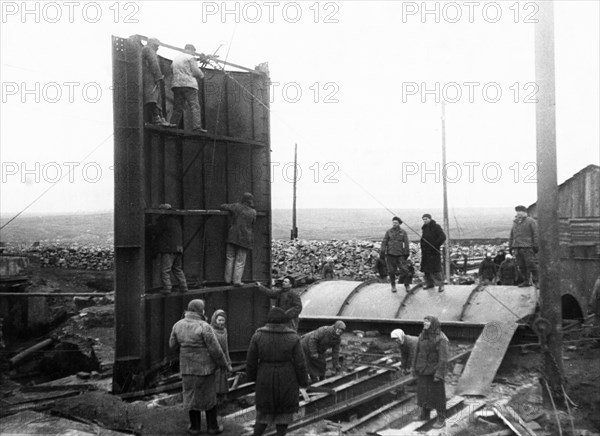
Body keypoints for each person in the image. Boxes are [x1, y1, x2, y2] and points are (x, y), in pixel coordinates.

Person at [169, 299, 232, 435]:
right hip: (205, 369)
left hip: (187, 368)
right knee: (209, 398)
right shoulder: (204, 326)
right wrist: (224, 365)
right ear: (200, 311)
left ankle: (195, 428)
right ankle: (212, 427)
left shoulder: (177, 325)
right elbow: (216, 350)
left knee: (191, 396)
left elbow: (172, 345)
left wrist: (185, 351)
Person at [246, 307, 309, 436]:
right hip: (287, 378)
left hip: (265, 377)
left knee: (263, 414)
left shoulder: (258, 335)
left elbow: (251, 361)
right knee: (283, 416)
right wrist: (304, 382)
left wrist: (253, 378)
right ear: (284, 321)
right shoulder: (292, 337)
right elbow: (300, 363)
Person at [413, 315, 449, 429]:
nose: (425, 325)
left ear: (433, 324)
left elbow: (443, 359)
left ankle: (441, 419)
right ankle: (425, 415)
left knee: (438, 396)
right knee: (423, 394)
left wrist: (439, 374)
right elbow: (416, 352)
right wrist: (414, 368)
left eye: (427, 323)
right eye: (424, 323)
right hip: (423, 370)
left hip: (434, 372)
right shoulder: (422, 336)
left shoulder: (441, 338)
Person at [149, 204, 188, 294]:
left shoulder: (164, 220)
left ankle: (167, 288)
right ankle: (184, 287)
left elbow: (155, 230)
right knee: (177, 269)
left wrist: (148, 227)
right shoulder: (175, 221)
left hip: (168, 249)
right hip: (179, 249)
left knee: (165, 270)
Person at [220, 193, 257, 286]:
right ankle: (236, 281)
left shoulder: (236, 206)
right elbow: (253, 224)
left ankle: (227, 280)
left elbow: (223, 206)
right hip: (245, 239)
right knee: (240, 261)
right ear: (250, 201)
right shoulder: (253, 212)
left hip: (232, 236)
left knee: (229, 258)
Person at [171, 43, 207, 132]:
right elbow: (195, 72)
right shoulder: (191, 57)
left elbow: (172, 69)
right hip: (189, 85)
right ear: (191, 50)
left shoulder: (176, 58)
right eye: (194, 52)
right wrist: (202, 75)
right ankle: (197, 127)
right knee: (195, 107)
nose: (194, 54)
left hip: (177, 84)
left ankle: (173, 125)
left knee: (177, 108)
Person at [141, 37, 173, 127]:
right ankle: (158, 119)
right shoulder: (148, 49)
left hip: (149, 77)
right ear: (153, 44)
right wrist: (159, 77)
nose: (158, 48)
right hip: (150, 78)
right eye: (157, 46)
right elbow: (153, 63)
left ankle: (159, 119)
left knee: (153, 100)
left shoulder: (146, 50)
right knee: (153, 99)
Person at [509, 205, 539, 287]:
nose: (518, 213)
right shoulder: (515, 223)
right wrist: (510, 246)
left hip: (527, 247)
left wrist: (535, 246)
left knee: (531, 265)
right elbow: (512, 235)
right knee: (521, 266)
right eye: (517, 211)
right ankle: (526, 281)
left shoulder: (531, 221)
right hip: (517, 248)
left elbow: (535, 234)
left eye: (520, 211)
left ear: (525, 212)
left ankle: (537, 282)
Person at [381, 216, 411, 293]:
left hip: (400, 255)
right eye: (393, 222)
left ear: (399, 224)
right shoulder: (389, 232)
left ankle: (407, 285)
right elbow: (384, 242)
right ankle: (393, 286)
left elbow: (406, 243)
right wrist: (383, 251)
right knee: (391, 271)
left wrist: (406, 253)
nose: (394, 224)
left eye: (396, 223)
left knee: (405, 270)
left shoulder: (403, 232)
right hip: (390, 254)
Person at [210, 309, 232, 405]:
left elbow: (226, 348)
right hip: (214, 360)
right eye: (219, 320)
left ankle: (221, 403)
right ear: (215, 320)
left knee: (222, 382)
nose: (221, 323)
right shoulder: (211, 330)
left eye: (223, 320)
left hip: (223, 360)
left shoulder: (224, 330)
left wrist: (228, 362)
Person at [420, 214, 447, 292]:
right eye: (423, 219)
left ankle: (441, 285)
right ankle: (429, 283)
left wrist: (435, 245)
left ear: (430, 219)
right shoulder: (424, 228)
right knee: (426, 269)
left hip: (434, 252)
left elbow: (442, 237)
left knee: (436, 269)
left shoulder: (436, 227)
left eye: (426, 219)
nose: (424, 220)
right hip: (426, 252)